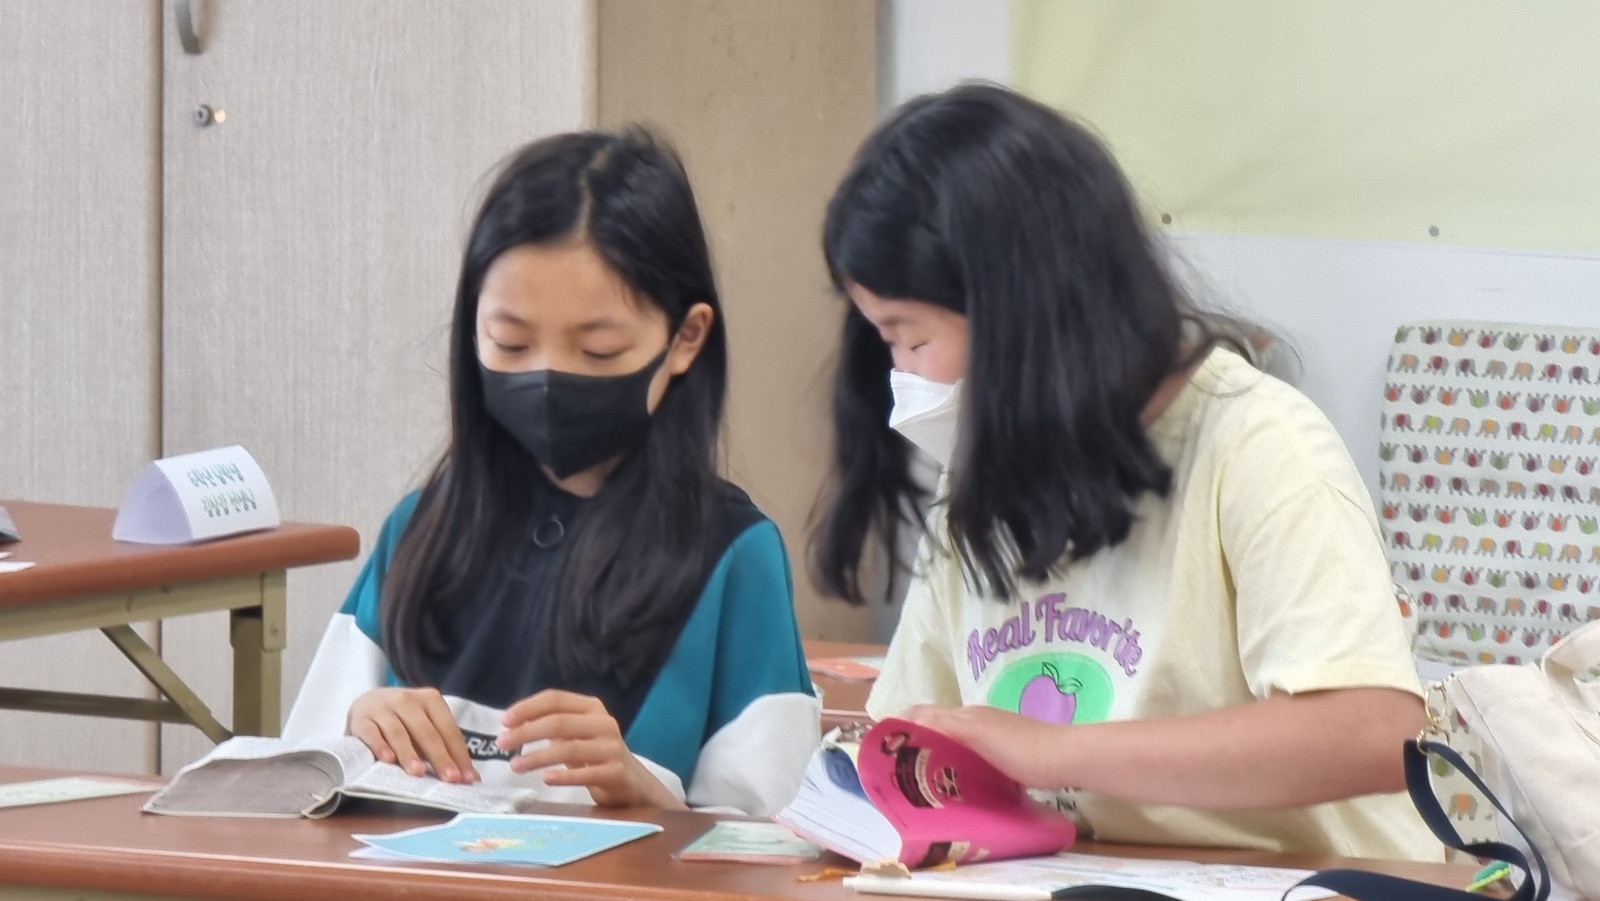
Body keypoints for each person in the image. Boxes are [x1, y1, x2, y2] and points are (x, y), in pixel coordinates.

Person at [811, 84, 1438, 859]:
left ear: (1022, 317)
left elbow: (1373, 730)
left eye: (909, 339)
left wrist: (1050, 752)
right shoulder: (986, 472)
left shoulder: (1258, 444)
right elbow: (918, 730)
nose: (903, 377)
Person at [283, 128, 817, 816]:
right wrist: (359, 726)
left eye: (599, 350)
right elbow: (294, 785)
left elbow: (774, 843)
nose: (546, 377)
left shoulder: (732, 556)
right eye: (510, 342)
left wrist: (643, 793)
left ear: (685, 338)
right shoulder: (421, 528)